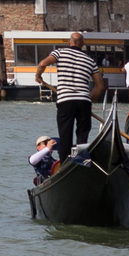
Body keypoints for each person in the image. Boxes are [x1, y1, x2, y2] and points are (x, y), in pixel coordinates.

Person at [41, 30, 103, 160]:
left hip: (65, 100)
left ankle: (65, 163)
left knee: (65, 135)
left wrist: (38, 76)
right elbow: (99, 87)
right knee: (82, 135)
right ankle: (80, 160)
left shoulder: (59, 52)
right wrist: (88, 101)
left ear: (69, 42)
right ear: (83, 44)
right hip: (84, 101)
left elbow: (43, 64)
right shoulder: (90, 61)